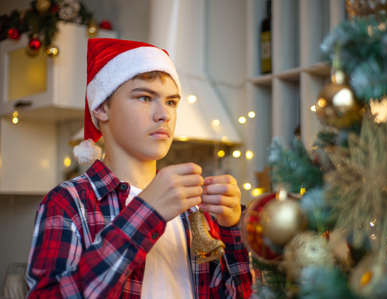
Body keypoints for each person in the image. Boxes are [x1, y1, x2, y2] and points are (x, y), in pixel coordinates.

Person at [25, 38, 252, 298]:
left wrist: (232, 227)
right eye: (145, 97)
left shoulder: (193, 207)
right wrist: (147, 213)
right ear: (100, 107)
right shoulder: (67, 203)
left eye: (171, 102)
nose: (164, 115)